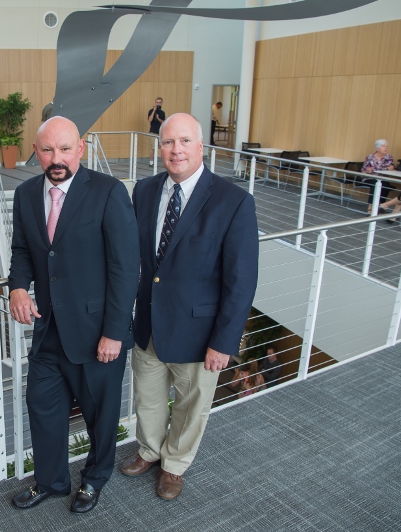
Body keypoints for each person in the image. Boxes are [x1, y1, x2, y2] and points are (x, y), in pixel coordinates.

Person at [121, 113, 258, 501]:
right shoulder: (144, 191)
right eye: (168, 142)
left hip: (200, 336)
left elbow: (240, 282)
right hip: (148, 326)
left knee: (190, 407)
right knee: (146, 400)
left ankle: (174, 465)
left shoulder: (233, 202)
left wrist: (225, 341)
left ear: (201, 147)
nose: (175, 150)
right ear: (159, 147)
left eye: (184, 142)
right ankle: (149, 450)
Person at [8, 116, 139, 513]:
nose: (56, 157)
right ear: (36, 151)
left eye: (65, 148)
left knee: (100, 415)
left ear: (80, 149)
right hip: (48, 330)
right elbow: (22, 251)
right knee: (42, 405)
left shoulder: (108, 192)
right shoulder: (26, 194)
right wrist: (17, 286)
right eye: (47, 149)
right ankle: (51, 481)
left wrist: (114, 332)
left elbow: (124, 267)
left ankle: (95, 479)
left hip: (97, 330)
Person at [360, 139, 397, 214]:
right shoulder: (370, 157)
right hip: (370, 178)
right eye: (383, 146)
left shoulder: (389, 157)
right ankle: (370, 207)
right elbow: (363, 171)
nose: (386, 148)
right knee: (375, 184)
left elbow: (391, 167)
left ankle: (380, 206)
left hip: (383, 178)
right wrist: (367, 170)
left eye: (387, 146)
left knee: (385, 185)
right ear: (377, 148)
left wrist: (392, 168)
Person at [147, 97, 165, 166]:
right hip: (153, 132)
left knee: (161, 147)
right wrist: (154, 111)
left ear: (161, 103)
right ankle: (151, 162)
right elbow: (149, 120)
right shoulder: (151, 111)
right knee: (152, 148)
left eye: (159, 102)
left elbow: (163, 122)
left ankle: (163, 161)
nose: (158, 104)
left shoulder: (162, 112)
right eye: (157, 102)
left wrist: (158, 118)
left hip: (160, 132)